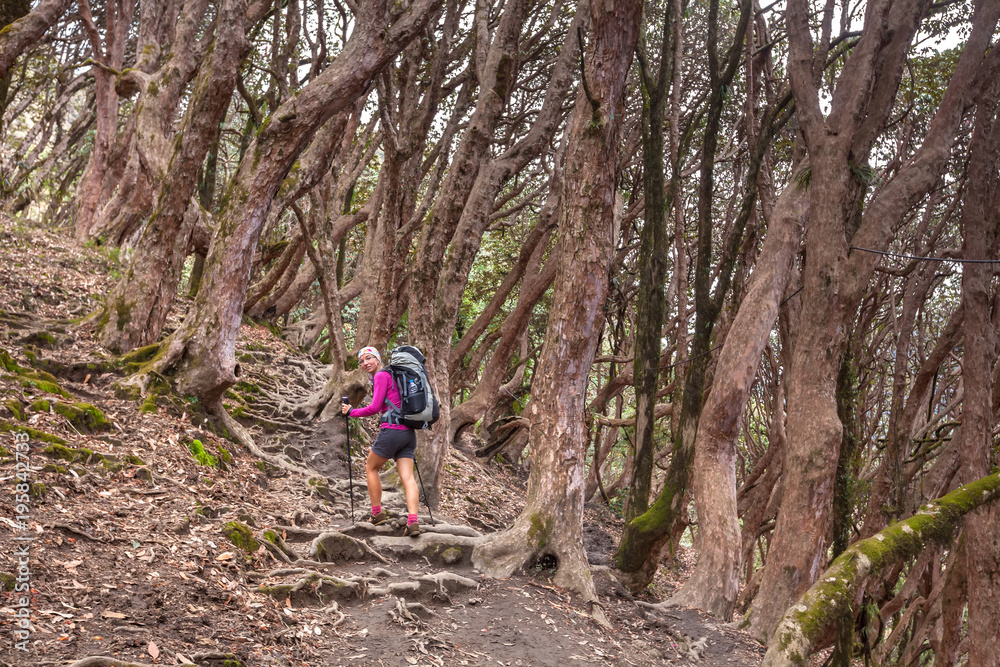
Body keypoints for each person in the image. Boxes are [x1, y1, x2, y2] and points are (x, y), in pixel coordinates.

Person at [341, 346, 421, 536]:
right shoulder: (396, 376)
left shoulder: (381, 376)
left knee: (371, 467)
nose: (365, 363)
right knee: (408, 477)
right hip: (408, 432)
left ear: (378, 359)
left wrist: (352, 412)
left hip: (392, 430)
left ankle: (377, 514)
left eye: (369, 358)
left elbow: (375, 407)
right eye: (361, 361)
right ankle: (413, 522)